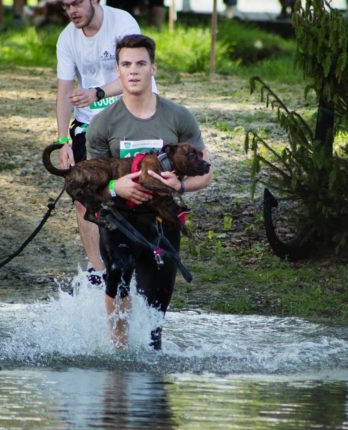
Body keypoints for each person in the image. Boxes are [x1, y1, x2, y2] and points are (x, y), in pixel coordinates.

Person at [86, 34, 212, 350]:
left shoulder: (178, 117)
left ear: (153, 68)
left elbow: (207, 173)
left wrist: (179, 185)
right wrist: (116, 186)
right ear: (117, 70)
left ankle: (151, 363)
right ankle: (118, 358)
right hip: (118, 220)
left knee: (157, 306)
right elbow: (90, 182)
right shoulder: (102, 124)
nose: (133, 71)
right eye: (126, 64)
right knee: (119, 283)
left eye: (141, 63)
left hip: (162, 221)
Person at [55, 0, 152, 281]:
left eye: (77, 3)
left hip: (130, 117)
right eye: (66, 6)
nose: (72, 10)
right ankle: (98, 272)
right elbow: (63, 92)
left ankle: (142, 261)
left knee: (134, 191)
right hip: (89, 125)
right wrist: (63, 140)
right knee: (82, 193)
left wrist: (98, 93)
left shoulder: (122, 23)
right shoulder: (66, 38)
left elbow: (136, 74)